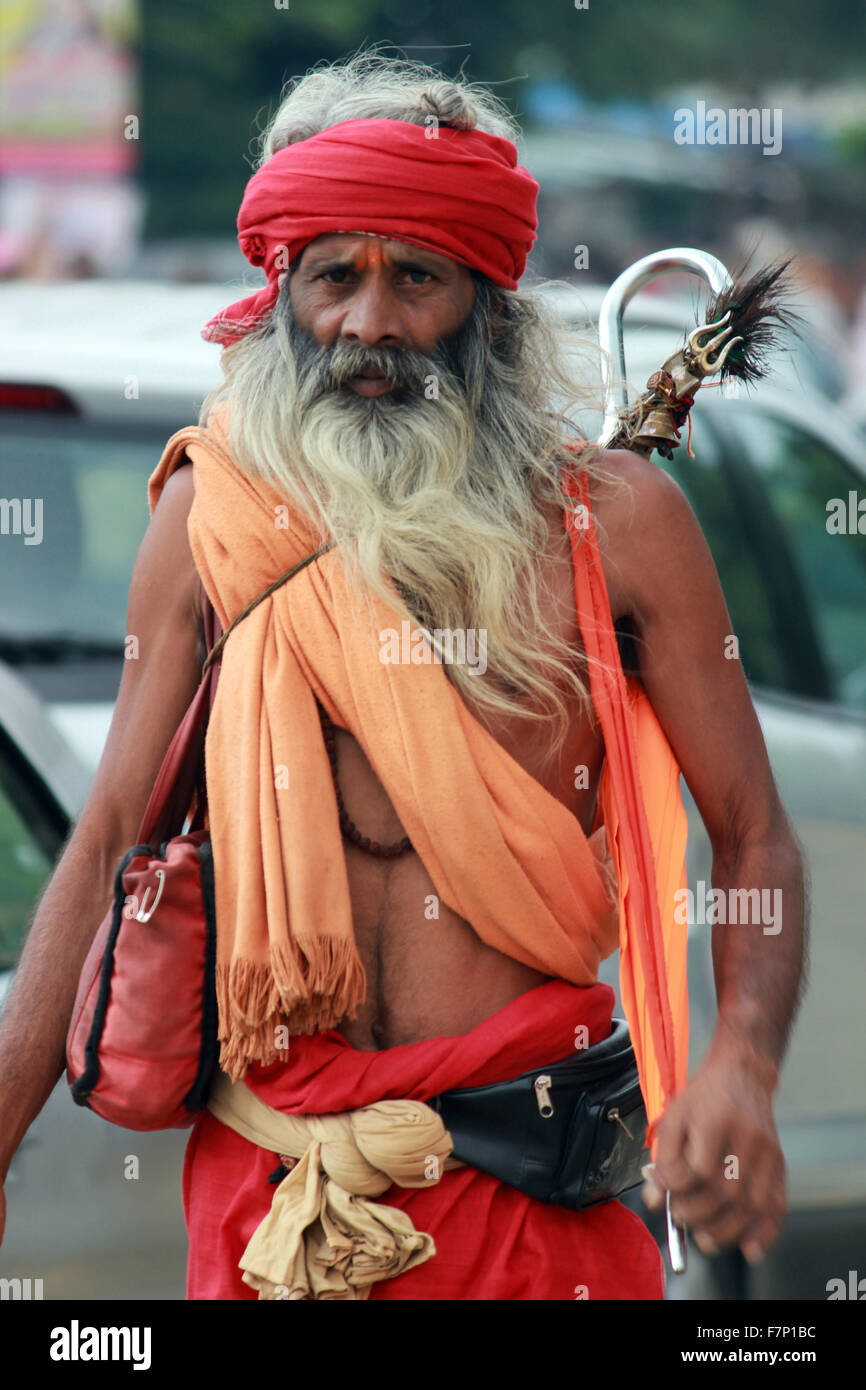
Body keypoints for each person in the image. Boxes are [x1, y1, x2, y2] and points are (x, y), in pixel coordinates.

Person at [0, 52, 805, 1301]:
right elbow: (108, 830)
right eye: (334, 277)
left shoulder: (617, 525)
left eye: (415, 278)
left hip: (525, 1211)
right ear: (283, 296)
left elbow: (751, 832)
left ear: (486, 303)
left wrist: (742, 1067)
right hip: (272, 1205)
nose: (369, 324)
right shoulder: (211, 518)